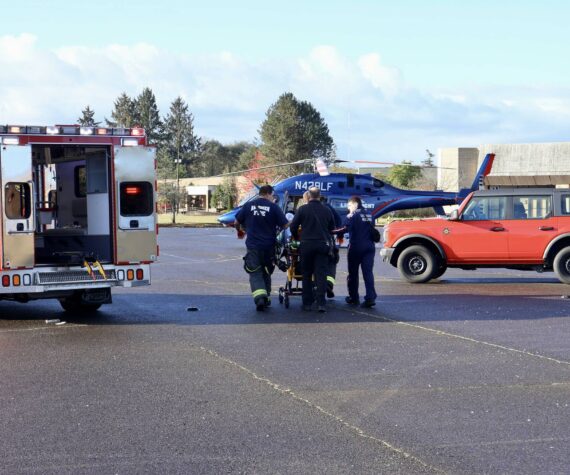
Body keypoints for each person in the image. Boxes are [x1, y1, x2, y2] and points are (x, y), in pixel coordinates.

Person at [235, 185, 289, 311]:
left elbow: (237, 222)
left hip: (253, 246)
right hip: (269, 247)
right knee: (266, 271)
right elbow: (286, 224)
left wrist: (241, 230)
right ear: (269, 194)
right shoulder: (273, 207)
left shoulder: (248, 206)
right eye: (272, 196)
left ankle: (260, 298)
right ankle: (266, 297)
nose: (273, 198)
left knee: (255, 272)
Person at [290, 187, 335, 313]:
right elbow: (332, 228)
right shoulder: (327, 210)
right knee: (321, 275)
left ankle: (307, 303)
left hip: (306, 245)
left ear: (309, 196)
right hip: (322, 245)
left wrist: (298, 237)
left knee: (307, 274)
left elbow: (293, 226)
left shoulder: (302, 209)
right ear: (319, 196)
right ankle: (321, 303)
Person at [343, 196, 377, 308]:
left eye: (349, 205)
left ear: (354, 204)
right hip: (369, 247)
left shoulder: (353, 215)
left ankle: (353, 297)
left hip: (356, 248)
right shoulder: (369, 214)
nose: (348, 208)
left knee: (353, 274)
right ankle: (370, 298)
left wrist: (331, 231)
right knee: (368, 273)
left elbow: (345, 228)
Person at [320, 197, 343, 299]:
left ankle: (318, 285)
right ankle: (329, 284)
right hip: (329, 241)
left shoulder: (308, 208)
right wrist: (340, 236)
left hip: (312, 241)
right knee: (332, 262)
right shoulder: (330, 209)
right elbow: (338, 224)